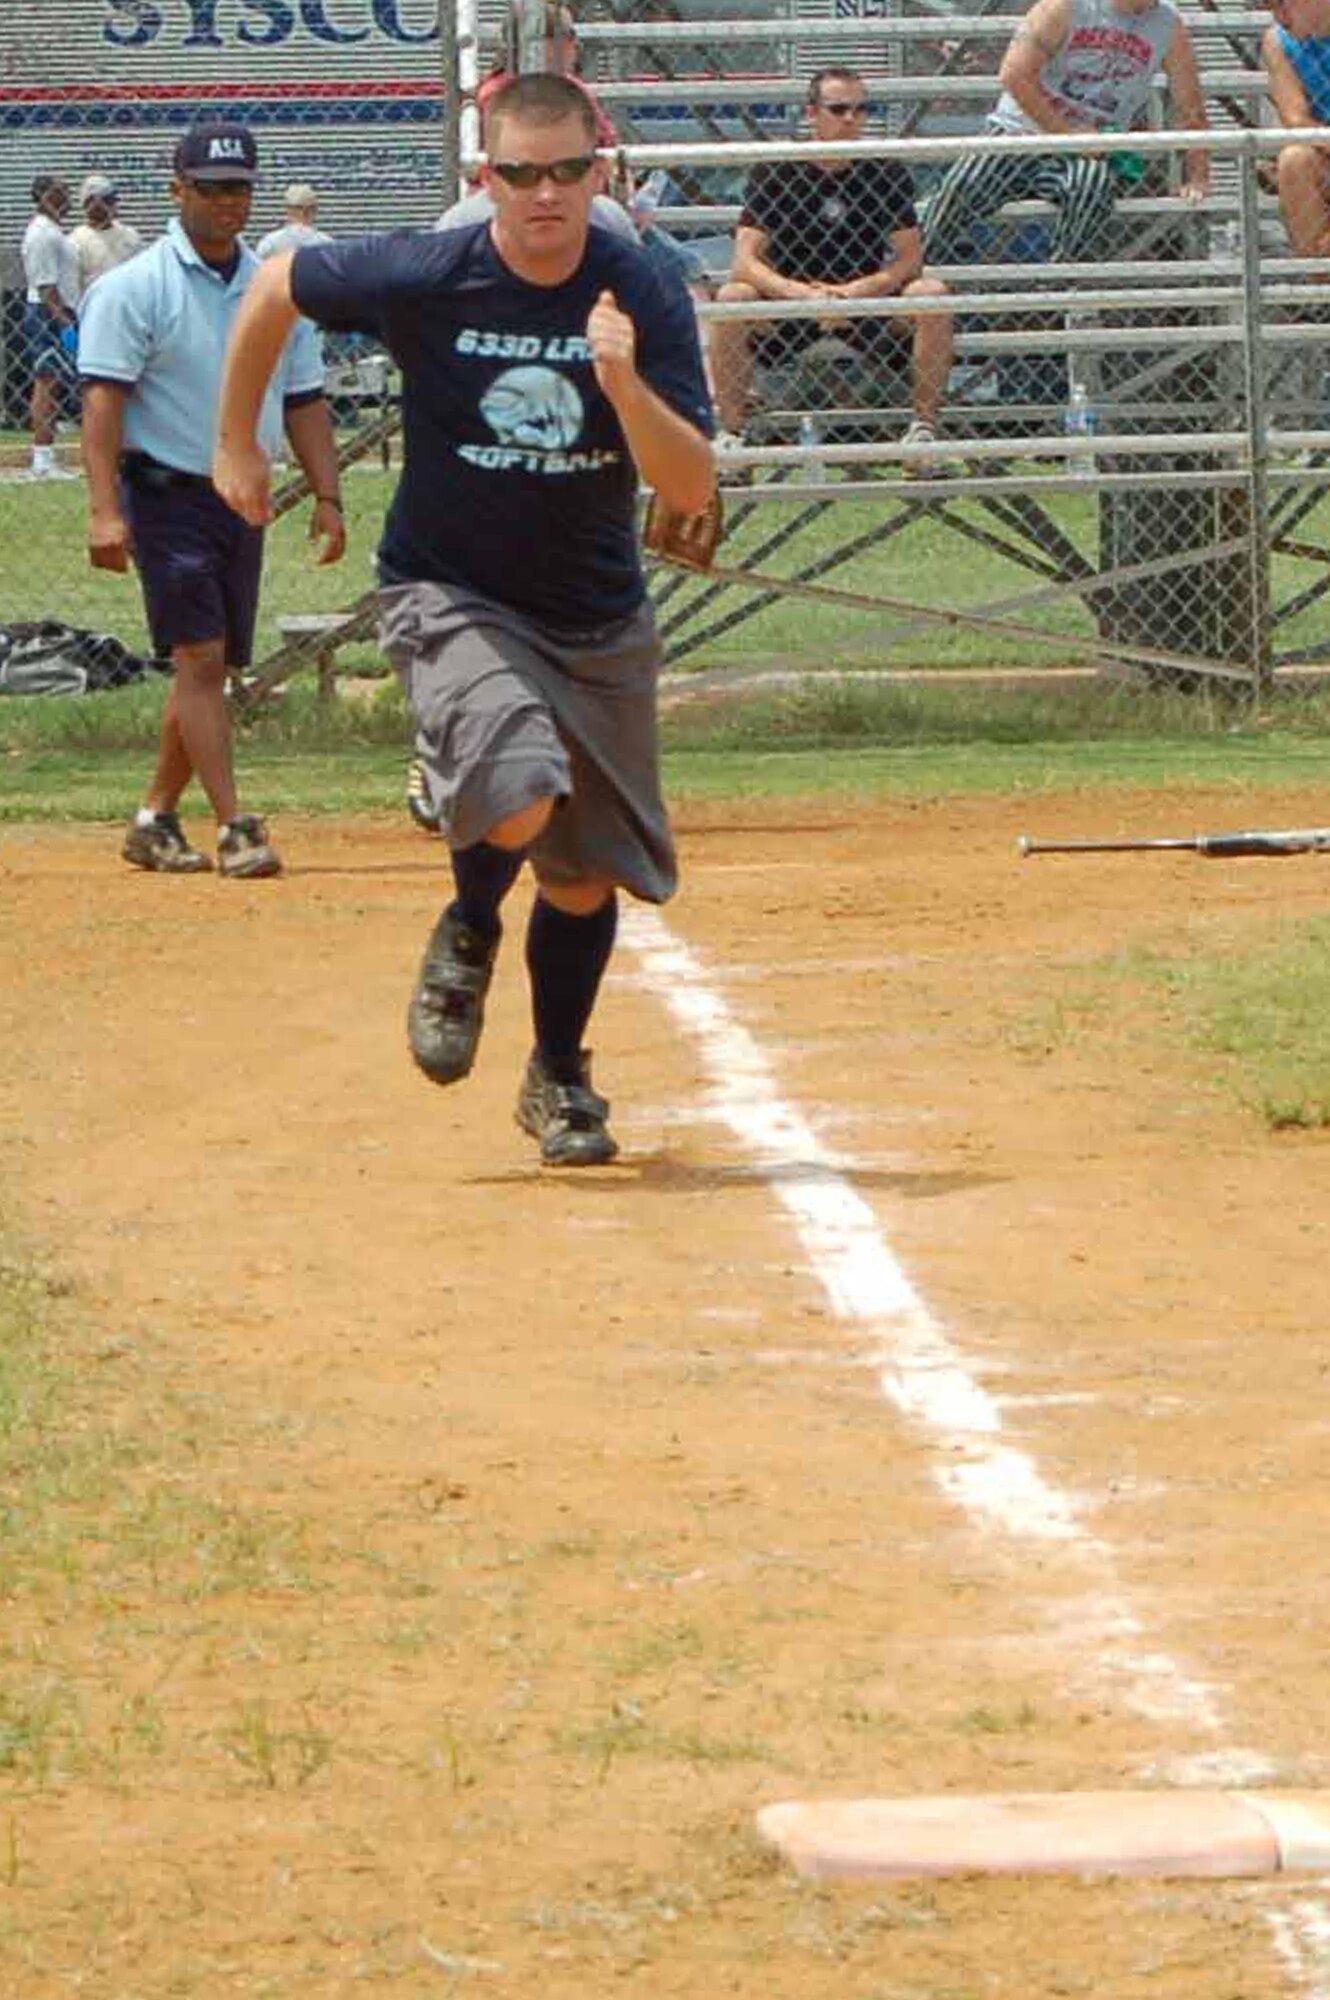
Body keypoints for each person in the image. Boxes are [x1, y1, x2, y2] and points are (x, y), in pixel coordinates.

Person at [213, 73, 714, 1165]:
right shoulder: (434, 269)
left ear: (600, 172)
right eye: (520, 173)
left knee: (582, 873)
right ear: (483, 177)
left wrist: (625, 389)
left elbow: (686, 486)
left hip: (593, 611)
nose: (545, 195)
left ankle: (559, 1077)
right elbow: (275, 287)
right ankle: (471, 926)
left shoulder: (641, 290)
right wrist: (235, 439)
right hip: (449, 588)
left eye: (568, 172)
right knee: (518, 777)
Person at [78, 119, 346, 880]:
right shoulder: (135, 287)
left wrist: (328, 494)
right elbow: (102, 404)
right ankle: (234, 825)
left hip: (242, 496)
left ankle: (154, 820)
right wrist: (104, 509)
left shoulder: (272, 286)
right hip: (165, 492)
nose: (230, 202)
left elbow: (304, 399)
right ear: (178, 190)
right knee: (198, 656)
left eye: (241, 188)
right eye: (212, 187)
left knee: (211, 664)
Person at [710, 68, 959, 477]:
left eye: (861, 110)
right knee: (731, 297)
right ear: (812, 113)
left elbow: (909, 258)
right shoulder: (777, 169)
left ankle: (923, 432)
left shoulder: (884, 170)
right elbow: (744, 260)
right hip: (790, 305)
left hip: (865, 303)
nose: (851, 119)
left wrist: (859, 291)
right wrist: (801, 296)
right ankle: (733, 438)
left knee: (932, 292)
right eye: (839, 109)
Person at [924, 0, 1210, 267]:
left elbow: (1190, 106)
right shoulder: (1064, 6)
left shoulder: (1168, 24)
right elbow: (1014, 74)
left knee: (1092, 186)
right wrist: (1068, 134)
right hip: (1020, 132)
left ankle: (1056, 289)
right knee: (964, 185)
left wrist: (1198, 176)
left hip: (1090, 150)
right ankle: (918, 268)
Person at [21, 173, 81, 479]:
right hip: (48, 312)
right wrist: (64, 324)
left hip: (59, 310)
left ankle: (47, 455)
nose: (66, 197)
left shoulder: (54, 230)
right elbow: (46, 286)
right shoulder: (43, 234)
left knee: (54, 381)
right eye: (60, 192)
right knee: (46, 381)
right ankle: (42, 460)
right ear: (43, 196)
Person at [1262, 0, 1330, 258]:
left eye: (1282, 4)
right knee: (1294, 159)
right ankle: (1317, 286)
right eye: (1269, 8)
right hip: (1324, 155)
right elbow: (1296, 121)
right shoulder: (1278, 41)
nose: (1279, 17)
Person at [69, 173, 143, 294]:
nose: (110, 206)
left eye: (110, 200)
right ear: (87, 204)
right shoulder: (76, 240)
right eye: (105, 201)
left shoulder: (130, 235)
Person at [256, 182, 331, 260]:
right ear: (313, 210)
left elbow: (257, 270)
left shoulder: (270, 243)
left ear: (288, 210)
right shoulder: (328, 245)